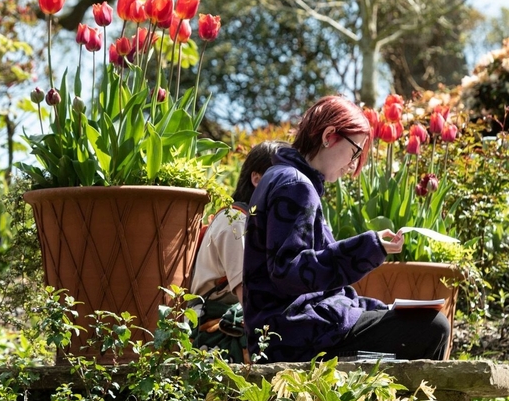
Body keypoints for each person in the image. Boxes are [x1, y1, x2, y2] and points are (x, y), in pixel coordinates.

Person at [242, 95, 450, 363]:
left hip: (287, 329)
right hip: (294, 334)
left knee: (415, 322)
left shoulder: (279, 176)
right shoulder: (295, 185)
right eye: (354, 152)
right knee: (432, 327)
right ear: (329, 136)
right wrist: (366, 248)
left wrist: (371, 306)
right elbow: (289, 272)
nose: (353, 165)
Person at [190, 140, 287, 361]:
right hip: (213, 333)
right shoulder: (235, 221)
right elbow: (251, 301)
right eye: (283, 179)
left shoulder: (257, 225)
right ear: (257, 179)